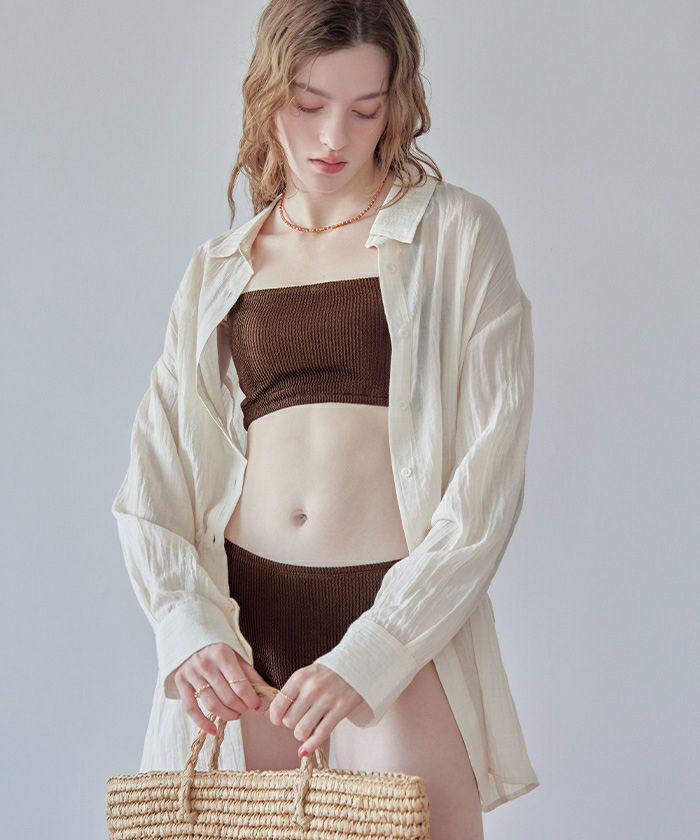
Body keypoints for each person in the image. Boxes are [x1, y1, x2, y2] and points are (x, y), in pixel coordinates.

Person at [111, 1, 540, 837]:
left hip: (397, 626)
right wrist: (185, 626)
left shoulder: (456, 234)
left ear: (397, 106)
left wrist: (375, 650)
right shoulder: (218, 269)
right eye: (308, 104)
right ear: (266, 94)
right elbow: (152, 483)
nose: (334, 136)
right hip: (244, 636)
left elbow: (487, 483)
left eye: (365, 110)